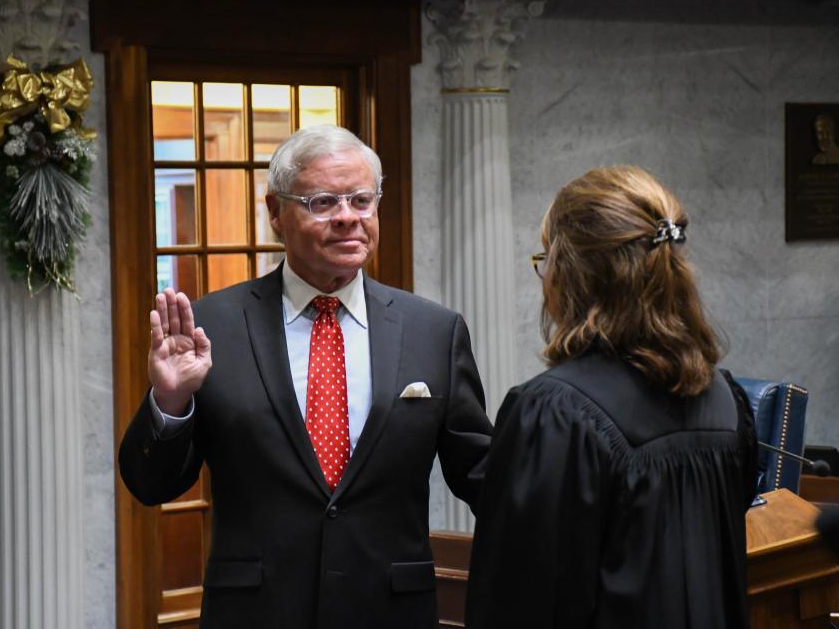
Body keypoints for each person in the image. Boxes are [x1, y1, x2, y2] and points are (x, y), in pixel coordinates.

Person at [119, 125, 493, 629]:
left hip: (390, 612)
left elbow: (485, 478)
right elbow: (150, 484)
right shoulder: (216, 328)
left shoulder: (434, 331)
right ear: (275, 212)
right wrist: (169, 401)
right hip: (255, 614)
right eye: (322, 202)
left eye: (362, 200)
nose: (348, 218)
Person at [465, 166, 757, 629]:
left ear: (573, 273)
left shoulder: (553, 414)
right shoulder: (725, 401)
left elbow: (517, 600)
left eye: (546, 261)